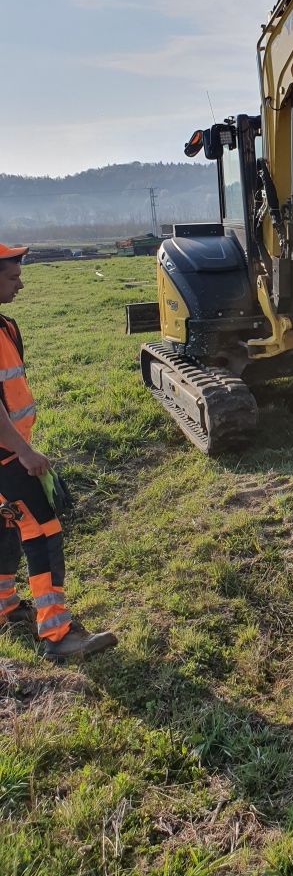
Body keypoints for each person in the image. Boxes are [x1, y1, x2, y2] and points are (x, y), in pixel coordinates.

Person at [0, 242, 117, 662]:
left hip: (6, 453)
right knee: (43, 529)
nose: (21, 284)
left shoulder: (6, 327)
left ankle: (7, 609)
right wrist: (24, 452)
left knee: (8, 524)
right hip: (6, 457)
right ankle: (58, 634)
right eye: (13, 277)